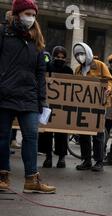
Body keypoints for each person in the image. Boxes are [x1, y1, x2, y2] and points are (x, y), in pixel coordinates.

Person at [0, 0, 55, 194]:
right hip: (4, 94)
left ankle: (31, 179)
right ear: (17, 13)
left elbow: (40, 74)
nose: (30, 18)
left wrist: (43, 101)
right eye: (27, 13)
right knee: (2, 137)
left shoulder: (37, 40)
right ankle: (2, 177)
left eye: (33, 14)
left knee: (31, 138)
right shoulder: (3, 33)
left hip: (29, 98)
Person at [73, 42, 112, 172]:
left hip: (98, 105)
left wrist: (108, 89)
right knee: (83, 134)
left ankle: (98, 161)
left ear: (88, 53)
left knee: (98, 133)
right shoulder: (78, 70)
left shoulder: (100, 65)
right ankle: (86, 160)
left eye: (82, 53)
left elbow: (109, 80)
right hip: (82, 106)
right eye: (77, 54)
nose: (80, 56)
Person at [39, 46, 73, 169]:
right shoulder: (47, 67)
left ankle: (61, 157)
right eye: (58, 57)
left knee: (62, 133)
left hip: (63, 107)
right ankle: (48, 156)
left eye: (62, 57)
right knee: (47, 131)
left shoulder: (68, 70)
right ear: (53, 56)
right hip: (48, 105)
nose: (60, 59)